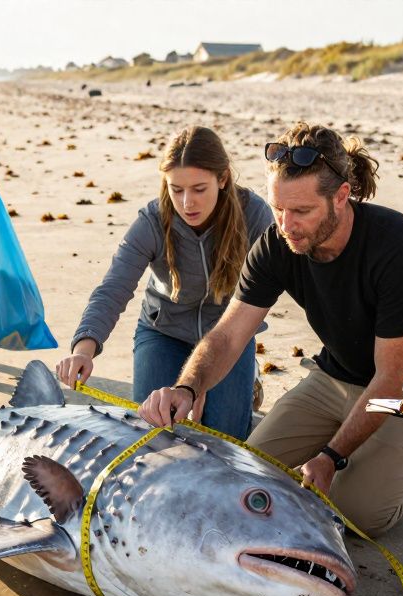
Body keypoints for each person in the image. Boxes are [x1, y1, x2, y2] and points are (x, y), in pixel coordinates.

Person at [138, 122, 403, 536]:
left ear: (341, 197)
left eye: (302, 212)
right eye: (278, 209)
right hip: (333, 378)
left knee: (355, 515)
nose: (286, 224)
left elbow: (391, 376)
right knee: (245, 475)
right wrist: (188, 388)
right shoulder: (278, 242)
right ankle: (364, 455)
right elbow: (228, 335)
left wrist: (330, 456)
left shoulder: (399, 246)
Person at [56, 126, 273, 439]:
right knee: (154, 432)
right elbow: (114, 288)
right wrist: (84, 348)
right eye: (176, 189)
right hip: (164, 331)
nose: (187, 203)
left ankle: (246, 376)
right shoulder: (152, 220)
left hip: (229, 336)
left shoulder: (254, 215)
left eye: (199, 189)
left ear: (223, 179)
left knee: (223, 437)